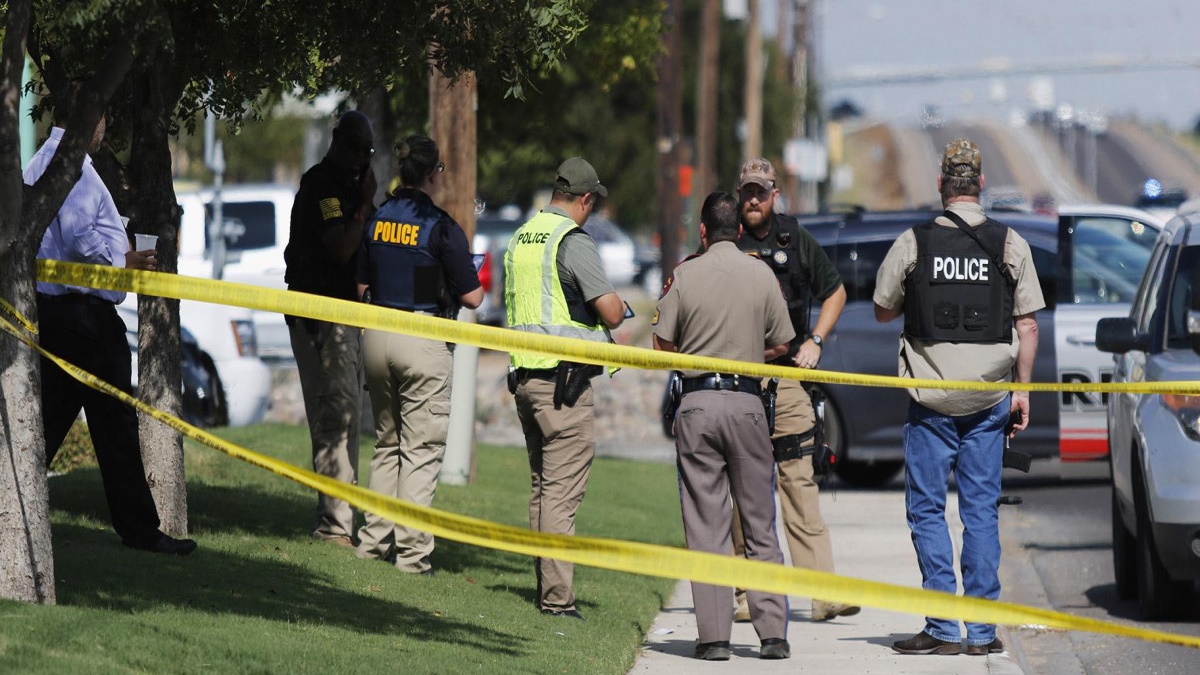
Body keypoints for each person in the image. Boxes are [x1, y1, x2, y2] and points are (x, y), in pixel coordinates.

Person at [873, 139, 1042, 656]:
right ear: (982, 185)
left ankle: (943, 627)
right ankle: (983, 633)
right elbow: (1029, 325)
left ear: (942, 184)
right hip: (989, 399)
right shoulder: (1010, 242)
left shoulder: (914, 241)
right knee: (981, 511)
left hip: (929, 402)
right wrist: (1022, 390)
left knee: (927, 510)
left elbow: (882, 309)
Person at [29, 93, 196, 556]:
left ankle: (137, 529)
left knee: (46, 420)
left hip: (59, 314)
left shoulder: (42, 161)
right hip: (86, 317)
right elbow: (81, 238)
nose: (105, 126)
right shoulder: (73, 166)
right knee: (114, 422)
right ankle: (142, 532)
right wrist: (124, 259)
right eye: (102, 116)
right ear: (88, 118)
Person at [653, 191, 794, 661]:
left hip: (697, 404)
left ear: (702, 230)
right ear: (739, 229)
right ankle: (772, 634)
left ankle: (714, 638)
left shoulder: (685, 274)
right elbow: (783, 343)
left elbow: (661, 342)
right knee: (759, 521)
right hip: (750, 404)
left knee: (706, 525)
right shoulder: (762, 274)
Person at [729, 158, 859, 623]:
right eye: (747, 192)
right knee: (745, 485)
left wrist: (815, 342)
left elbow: (836, 292)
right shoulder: (727, 239)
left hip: (787, 379)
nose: (753, 201)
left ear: (775, 193)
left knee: (798, 481)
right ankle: (748, 593)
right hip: (739, 380)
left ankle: (822, 591)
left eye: (760, 192)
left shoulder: (795, 239)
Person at [354, 135, 483, 574]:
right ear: (433, 174)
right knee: (421, 449)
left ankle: (371, 542)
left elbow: (359, 286)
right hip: (422, 338)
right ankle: (411, 555)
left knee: (386, 444)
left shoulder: (377, 219)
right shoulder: (441, 225)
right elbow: (473, 297)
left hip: (376, 335)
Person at [504, 157, 626, 620]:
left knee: (541, 489)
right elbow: (610, 312)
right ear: (585, 200)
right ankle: (557, 600)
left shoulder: (523, 236)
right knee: (561, 496)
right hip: (565, 385)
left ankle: (545, 588)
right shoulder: (572, 242)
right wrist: (619, 308)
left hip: (525, 380)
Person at [283, 110, 377, 548]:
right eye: (357, 147)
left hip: (343, 317)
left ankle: (340, 521)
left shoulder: (349, 187)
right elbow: (340, 246)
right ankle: (334, 527)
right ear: (337, 140)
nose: (362, 157)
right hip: (321, 320)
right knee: (333, 418)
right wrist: (362, 206)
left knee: (344, 418)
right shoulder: (322, 185)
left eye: (368, 151)